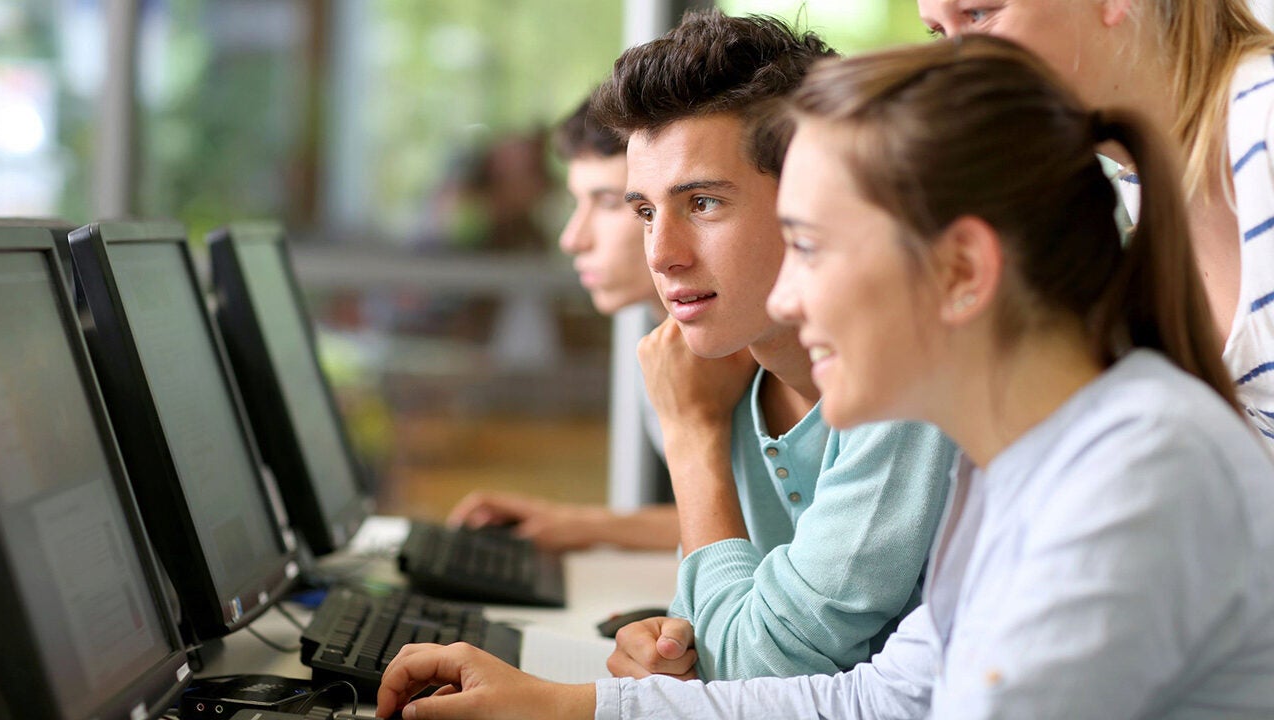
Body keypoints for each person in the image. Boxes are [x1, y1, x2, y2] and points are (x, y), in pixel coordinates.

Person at [374, 35, 1274, 720]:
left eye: (809, 247)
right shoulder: (1007, 465)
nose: (791, 299)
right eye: (643, 210)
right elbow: (883, 700)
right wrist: (573, 707)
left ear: (961, 272)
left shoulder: (1136, 477)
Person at [591, 9, 954, 682]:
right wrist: (668, 643)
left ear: (812, 198)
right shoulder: (720, 374)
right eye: (645, 212)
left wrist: (691, 436)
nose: (662, 256)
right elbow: (709, 634)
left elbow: (759, 666)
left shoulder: (905, 378)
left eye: (702, 203)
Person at [917, 0, 1274, 446]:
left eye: (979, 14)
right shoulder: (1143, 185)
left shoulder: (1264, 127)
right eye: (938, 33)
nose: (958, 71)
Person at [446, 95, 681, 552]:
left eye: (609, 203)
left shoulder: (755, 360)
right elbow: (734, 526)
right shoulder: (655, 346)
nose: (572, 239)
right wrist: (578, 523)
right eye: (577, 202)